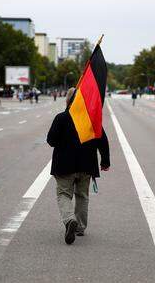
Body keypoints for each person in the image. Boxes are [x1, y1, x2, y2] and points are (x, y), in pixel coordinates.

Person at [47, 88, 110, 245]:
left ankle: (69, 220)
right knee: (82, 196)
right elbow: (102, 140)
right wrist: (105, 161)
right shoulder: (91, 120)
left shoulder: (61, 118)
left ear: (68, 100)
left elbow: (51, 141)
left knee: (63, 194)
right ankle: (80, 227)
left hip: (64, 165)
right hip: (86, 165)